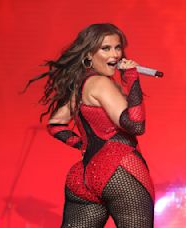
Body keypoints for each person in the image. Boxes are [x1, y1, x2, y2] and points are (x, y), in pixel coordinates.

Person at [27, 23, 154, 228]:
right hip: (120, 170)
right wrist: (132, 78)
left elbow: (56, 124)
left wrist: (83, 146)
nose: (115, 54)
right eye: (106, 48)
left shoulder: (81, 86)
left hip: (83, 175)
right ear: (88, 55)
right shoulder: (102, 84)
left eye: (118, 47)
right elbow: (136, 124)